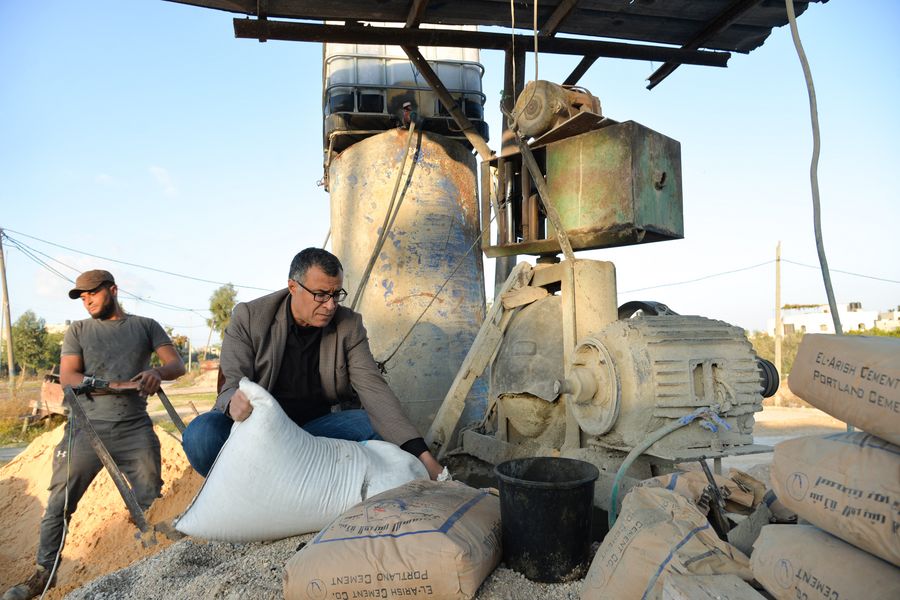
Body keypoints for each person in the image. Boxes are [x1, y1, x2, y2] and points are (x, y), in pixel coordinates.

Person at [181, 248, 443, 480]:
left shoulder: (348, 325)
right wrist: (234, 403)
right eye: (320, 295)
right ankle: (249, 487)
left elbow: (375, 392)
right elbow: (230, 384)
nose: (330, 305)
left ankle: (294, 480)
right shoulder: (250, 317)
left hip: (314, 434)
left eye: (336, 294)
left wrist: (424, 458)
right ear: (293, 287)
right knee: (201, 435)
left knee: (369, 423)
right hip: (257, 431)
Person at [2, 270, 185, 600]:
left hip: (134, 428)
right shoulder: (79, 330)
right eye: (81, 296)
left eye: (92, 293)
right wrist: (112, 384)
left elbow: (177, 365)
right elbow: (69, 376)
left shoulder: (145, 326)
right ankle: (43, 575)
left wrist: (156, 372)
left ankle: (151, 568)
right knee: (59, 501)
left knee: (150, 501)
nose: (86, 300)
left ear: (113, 290)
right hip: (86, 429)